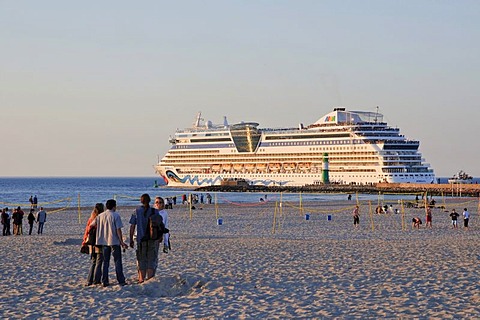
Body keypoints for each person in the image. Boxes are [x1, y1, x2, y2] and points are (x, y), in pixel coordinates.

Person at [90, 199, 128, 287]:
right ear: (114, 206)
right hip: (114, 241)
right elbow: (118, 229)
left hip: (103, 241)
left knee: (105, 262)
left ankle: (105, 280)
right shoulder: (115, 215)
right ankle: (121, 280)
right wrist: (121, 241)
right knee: (117, 261)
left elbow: (92, 224)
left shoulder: (100, 216)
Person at [129, 193, 160, 283]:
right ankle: (150, 278)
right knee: (151, 258)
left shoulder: (136, 211)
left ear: (141, 201)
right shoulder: (155, 211)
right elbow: (159, 225)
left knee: (141, 259)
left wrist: (131, 239)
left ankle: (141, 278)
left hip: (141, 238)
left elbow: (132, 227)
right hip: (152, 238)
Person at [82, 203, 104, 286]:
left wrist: (84, 241)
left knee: (93, 261)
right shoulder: (101, 219)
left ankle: (89, 280)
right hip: (99, 242)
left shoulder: (91, 219)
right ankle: (96, 280)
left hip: (91, 242)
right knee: (99, 261)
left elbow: (87, 231)